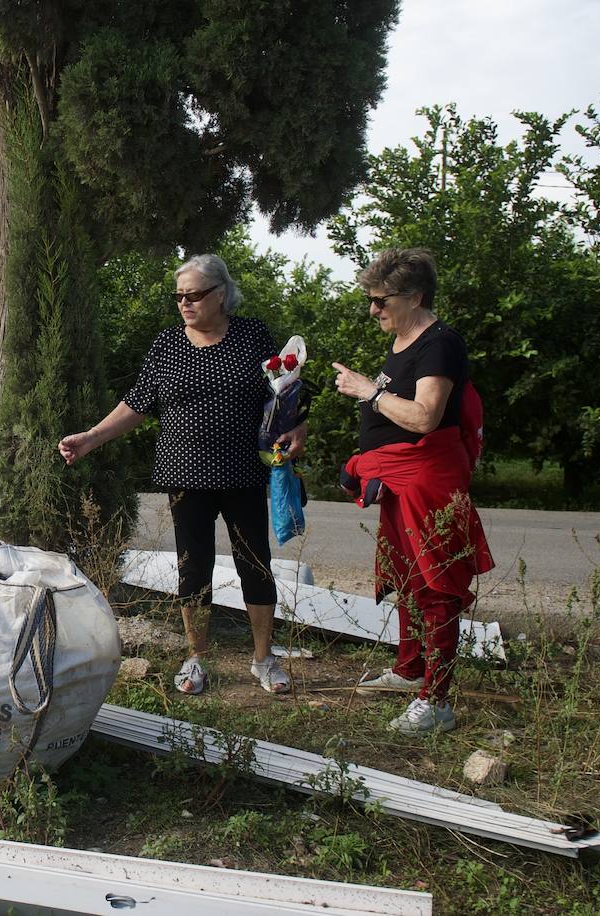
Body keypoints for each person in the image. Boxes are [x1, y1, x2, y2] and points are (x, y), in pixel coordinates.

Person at [59, 254, 305, 696]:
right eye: (179, 296)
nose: (185, 303)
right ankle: (197, 658)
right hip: (185, 476)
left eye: (194, 294)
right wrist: (92, 437)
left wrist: (296, 426)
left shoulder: (252, 335)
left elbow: (281, 393)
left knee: (256, 565)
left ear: (222, 294)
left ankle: (264, 659)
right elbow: (138, 402)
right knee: (193, 569)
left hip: (244, 473)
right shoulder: (168, 344)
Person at [331, 248, 494, 736]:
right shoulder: (404, 341)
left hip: (428, 478)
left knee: (437, 586)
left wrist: (368, 392)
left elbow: (424, 416)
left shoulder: (439, 344)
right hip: (401, 480)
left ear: (415, 296)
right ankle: (410, 670)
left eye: (381, 300)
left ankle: (437, 701)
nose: (373, 310)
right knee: (408, 579)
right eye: (371, 300)